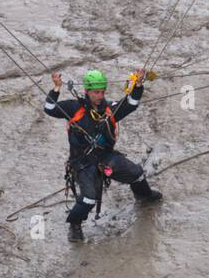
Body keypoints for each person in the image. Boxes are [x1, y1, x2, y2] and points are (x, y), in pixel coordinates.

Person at [44, 69, 161, 242]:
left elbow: (132, 103)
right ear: (87, 91)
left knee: (136, 174)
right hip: (82, 163)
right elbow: (49, 108)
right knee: (89, 198)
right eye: (96, 92)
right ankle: (75, 224)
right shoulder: (73, 107)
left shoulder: (110, 109)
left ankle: (144, 195)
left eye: (102, 92)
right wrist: (56, 88)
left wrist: (138, 85)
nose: (100, 95)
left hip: (106, 156)